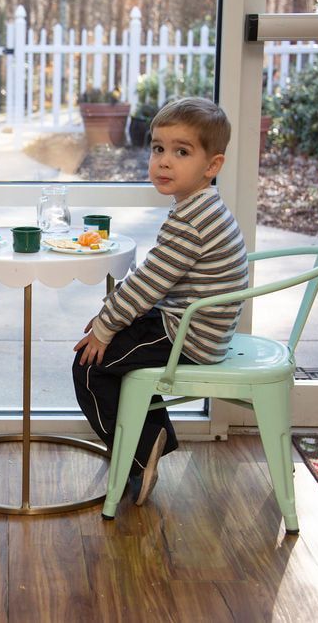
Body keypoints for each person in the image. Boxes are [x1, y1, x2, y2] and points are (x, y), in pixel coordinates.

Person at [72, 96, 249, 507]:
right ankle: (152, 438)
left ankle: (138, 454)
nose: (164, 162)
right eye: (158, 149)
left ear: (212, 166)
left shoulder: (191, 219)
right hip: (194, 321)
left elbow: (148, 283)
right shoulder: (201, 207)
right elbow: (157, 279)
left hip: (189, 334)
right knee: (117, 352)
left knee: (88, 366)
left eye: (181, 152)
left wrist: (105, 324)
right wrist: (113, 318)